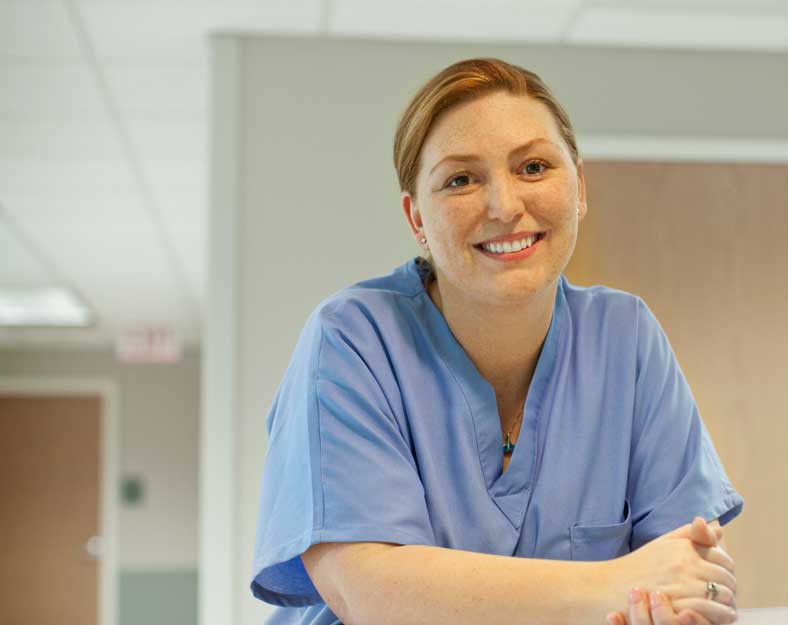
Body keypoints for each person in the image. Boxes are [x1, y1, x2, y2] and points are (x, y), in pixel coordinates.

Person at [250, 57, 744, 625]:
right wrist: (615, 583)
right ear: (417, 219)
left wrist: (696, 595)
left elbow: (689, 565)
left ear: (578, 189)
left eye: (533, 167)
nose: (505, 206)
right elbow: (372, 592)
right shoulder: (353, 341)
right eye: (461, 179)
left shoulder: (626, 340)